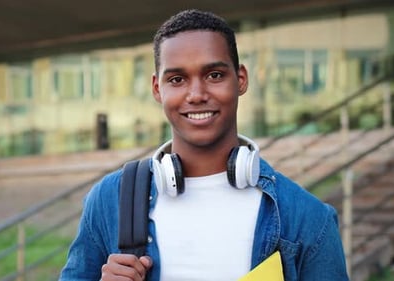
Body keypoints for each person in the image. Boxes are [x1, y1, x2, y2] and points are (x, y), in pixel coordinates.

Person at [59, 9, 349, 281]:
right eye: (177, 79)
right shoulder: (110, 199)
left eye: (214, 75)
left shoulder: (308, 219)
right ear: (158, 89)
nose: (196, 94)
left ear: (241, 79)